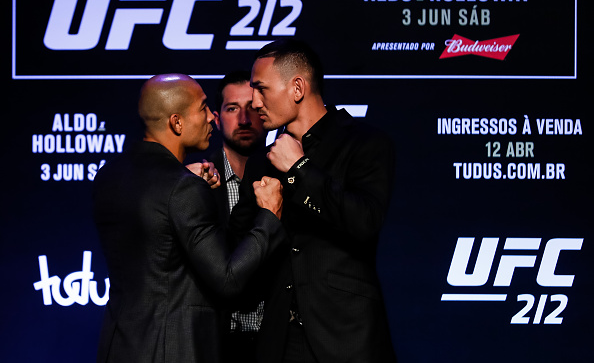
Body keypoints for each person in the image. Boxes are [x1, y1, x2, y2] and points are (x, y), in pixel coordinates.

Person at [92, 73, 285, 363]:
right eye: (204, 108)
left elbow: (156, 243)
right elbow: (228, 279)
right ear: (176, 122)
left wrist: (184, 185)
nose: (212, 118)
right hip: (174, 350)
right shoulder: (182, 188)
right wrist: (269, 216)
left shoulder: (108, 175)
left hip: (120, 348)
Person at [228, 39, 397, 363]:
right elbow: (238, 246)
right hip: (279, 340)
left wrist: (299, 168)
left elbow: (364, 222)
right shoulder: (262, 161)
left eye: (261, 89)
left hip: (347, 338)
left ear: (297, 87)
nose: (254, 101)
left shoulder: (366, 143)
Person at [206, 70, 268, 362]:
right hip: (213, 344)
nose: (244, 119)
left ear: (266, 113)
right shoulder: (193, 182)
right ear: (216, 119)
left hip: (277, 343)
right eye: (232, 108)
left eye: (253, 108)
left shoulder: (293, 177)